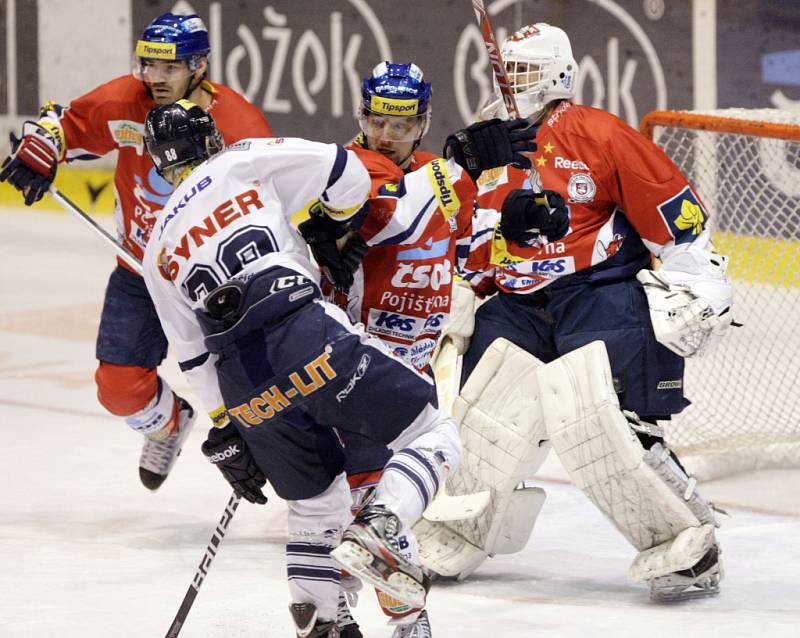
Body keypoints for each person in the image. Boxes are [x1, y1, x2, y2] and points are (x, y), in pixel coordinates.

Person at [140, 101, 534, 637]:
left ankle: (317, 612)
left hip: (242, 381)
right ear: (210, 138)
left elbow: (190, 353)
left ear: (161, 165)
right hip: (302, 330)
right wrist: (337, 222)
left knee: (315, 503)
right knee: (433, 432)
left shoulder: (156, 244)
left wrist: (228, 426)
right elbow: (346, 173)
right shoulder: (240, 160)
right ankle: (384, 526)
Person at [419, 23, 734, 603]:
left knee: (604, 427)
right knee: (478, 422)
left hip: (598, 291)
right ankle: (462, 528)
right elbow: (466, 239)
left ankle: (688, 542)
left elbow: (677, 213)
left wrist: (700, 282)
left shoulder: (600, 133)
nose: (513, 84)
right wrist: (479, 259)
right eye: (507, 73)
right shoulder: (488, 146)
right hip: (516, 303)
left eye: (526, 72)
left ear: (559, 77)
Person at [319, 61, 549, 637]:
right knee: (364, 511)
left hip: (415, 364)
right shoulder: (344, 171)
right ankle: (369, 615)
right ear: (361, 116)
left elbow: (472, 254)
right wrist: (458, 164)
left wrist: (518, 230)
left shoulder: (443, 177)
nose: (387, 134)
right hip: (356, 363)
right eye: (377, 120)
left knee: (380, 516)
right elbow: (394, 213)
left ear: (421, 122)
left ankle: (366, 612)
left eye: (401, 124)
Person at [0, 12, 273, 491]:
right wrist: (42, 146)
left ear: (199, 66)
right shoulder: (129, 100)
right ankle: (169, 423)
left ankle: (314, 483)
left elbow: (272, 201)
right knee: (119, 388)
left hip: (218, 281)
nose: (155, 78)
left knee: (258, 392)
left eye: (169, 68)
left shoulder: (238, 124)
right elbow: (66, 125)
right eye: (149, 65)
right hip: (141, 269)